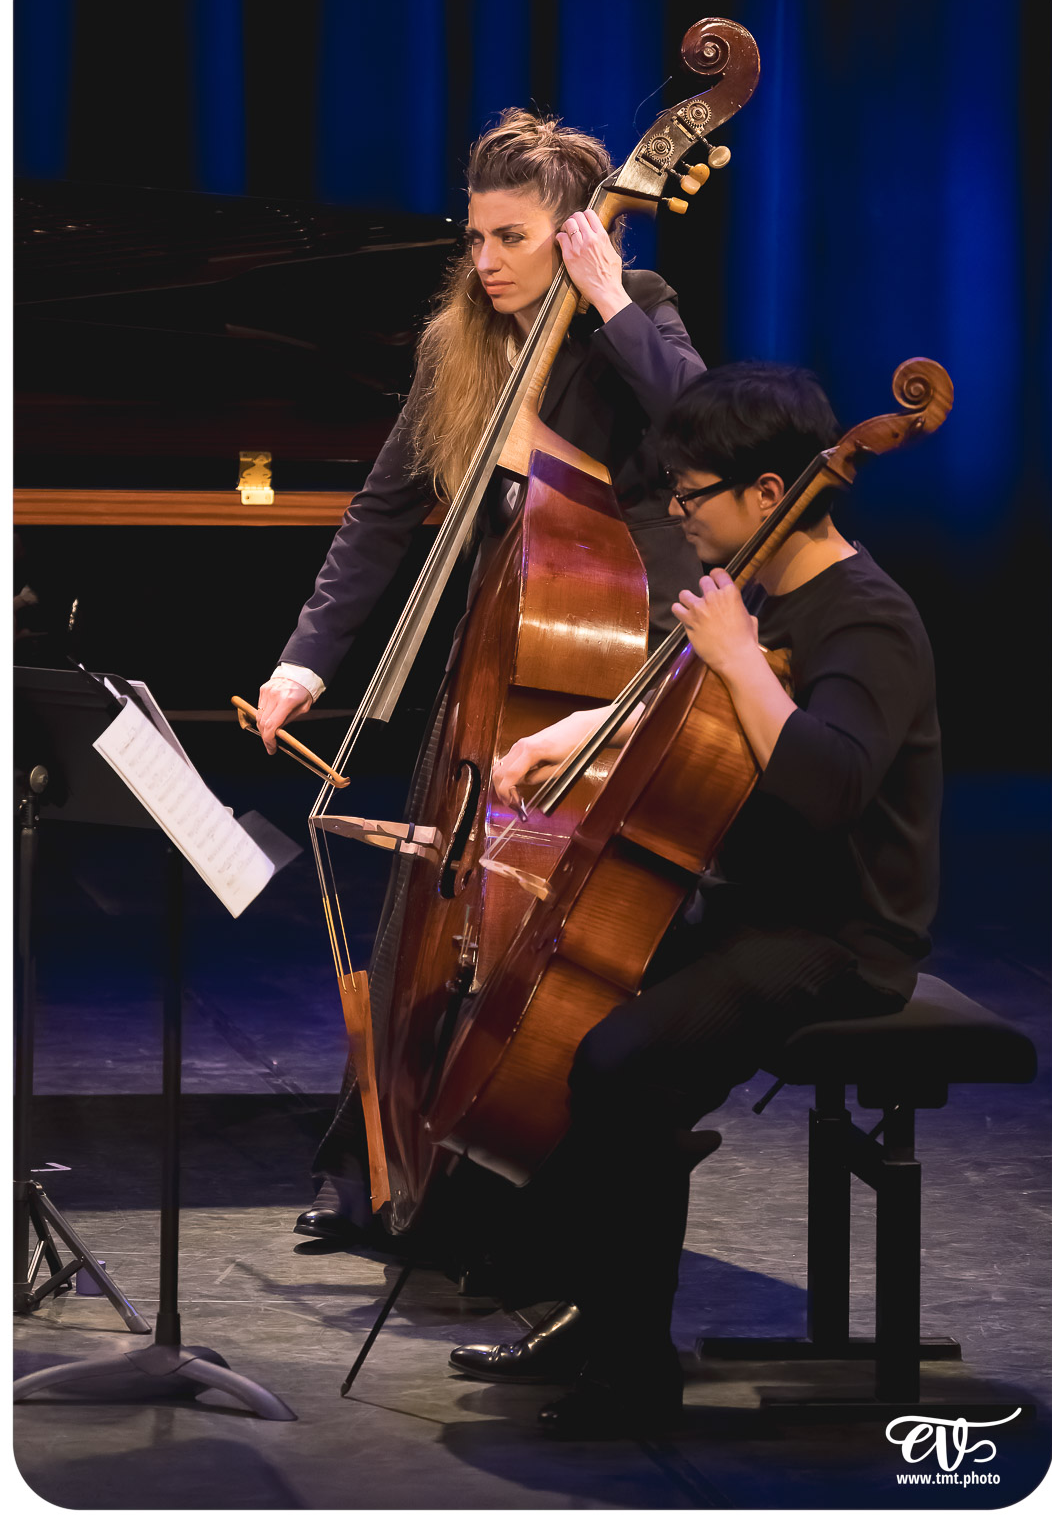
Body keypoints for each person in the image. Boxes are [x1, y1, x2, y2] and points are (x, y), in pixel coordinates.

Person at [450, 360, 942, 1437]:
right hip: (755, 903)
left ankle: (634, 1373)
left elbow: (824, 788)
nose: (677, 511)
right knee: (568, 1020)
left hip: (837, 932)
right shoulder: (763, 596)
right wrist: (566, 735)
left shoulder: (865, 621)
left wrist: (737, 656)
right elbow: (682, 711)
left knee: (621, 1068)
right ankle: (587, 1299)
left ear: (769, 493)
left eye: (691, 492)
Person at [256, 109, 707, 1240]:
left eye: (509, 236)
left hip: (627, 643)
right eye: (475, 236)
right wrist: (305, 663)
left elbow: (709, 431)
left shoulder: (633, 314)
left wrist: (607, 301)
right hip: (505, 640)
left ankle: (534, 1190)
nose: (484, 259)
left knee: (552, 936)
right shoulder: (454, 341)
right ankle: (381, 1158)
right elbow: (382, 512)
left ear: (575, 233)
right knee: (435, 898)